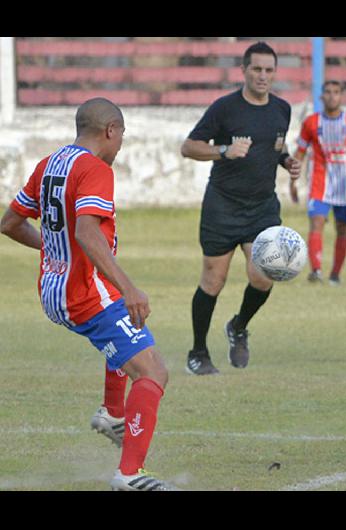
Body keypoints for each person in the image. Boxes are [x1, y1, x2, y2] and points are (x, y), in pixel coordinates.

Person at [1, 98, 175, 490]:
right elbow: (86, 232)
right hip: (83, 294)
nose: (120, 146)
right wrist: (129, 286)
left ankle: (113, 413)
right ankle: (129, 476)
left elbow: (10, 224)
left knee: (128, 328)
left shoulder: (48, 165)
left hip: (53, 291)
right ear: (110, 131)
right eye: (122, 137)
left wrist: (52, 250)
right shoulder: (95, 169)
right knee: (154, 371)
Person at [181, 41, 301, 375]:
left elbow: (276, 146)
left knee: (264, 276)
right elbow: (189, 147)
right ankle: (199, 352)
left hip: (262, 207)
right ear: (244, 70)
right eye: (257, 69)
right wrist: (223, 151)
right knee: (213, 280)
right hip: (223, 206)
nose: (263, 76)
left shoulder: (282, 109)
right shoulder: (224, 109)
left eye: (269, 70)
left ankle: (238, 326)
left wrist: (288, 161)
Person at [290, 80, 346, 285]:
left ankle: (335, 274)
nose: (332, 96)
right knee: (317, 221)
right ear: (321, 97)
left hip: (345, 186)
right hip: (320, 182)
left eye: (336, 92)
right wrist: (293, 181)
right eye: (328, 92)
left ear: (342, 96)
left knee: (342, 228)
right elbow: (299, 152)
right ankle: (316, 270)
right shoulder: (311, 123)